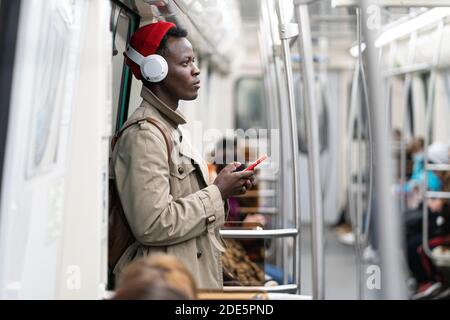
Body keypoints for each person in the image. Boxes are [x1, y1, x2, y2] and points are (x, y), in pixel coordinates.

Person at [110, 21, 255, 289]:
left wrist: (225, 190)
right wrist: (217, 192)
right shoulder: (145, 135)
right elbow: (152, 223)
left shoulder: (173, 130)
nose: (196, 70)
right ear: (156, 71)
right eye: (186, 63)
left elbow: (186, 208)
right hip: (165, 286)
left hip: (188, 275)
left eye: (195, 61)